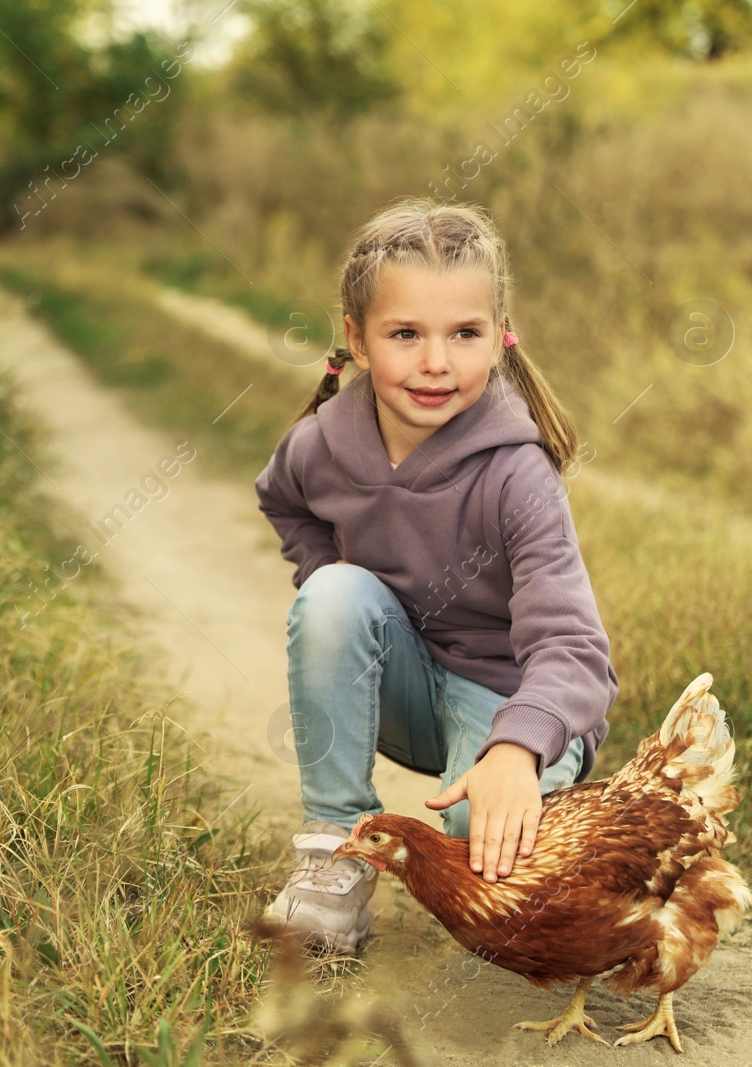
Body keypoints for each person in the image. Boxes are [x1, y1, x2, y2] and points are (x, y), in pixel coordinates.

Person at [253, 196, 619, 954]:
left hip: (508, 705)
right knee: (334, 596)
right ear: (356, 339)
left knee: (478, 847)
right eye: (405, 334)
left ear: (500, 338)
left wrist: (518, 748)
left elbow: (577, 648)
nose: (436, 363)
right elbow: (282, 499)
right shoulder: (320, 445)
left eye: (464, 334)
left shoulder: (517, 471)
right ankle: (334, 855)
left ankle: (548, 784)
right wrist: (340, 592)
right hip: (408, 693)